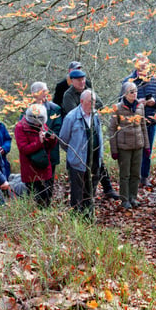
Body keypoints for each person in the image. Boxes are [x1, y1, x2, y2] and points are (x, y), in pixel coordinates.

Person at [60, 67, 120, 200]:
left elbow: (100, 104)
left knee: (96, 173)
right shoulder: (68, 96)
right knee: (78, 185)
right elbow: (64, 139)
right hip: (78, 143)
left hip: (93, 148)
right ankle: (77, 212)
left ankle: (105, 192)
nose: (82, 82)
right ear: (72, 81)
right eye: (79, 80)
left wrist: (90, 105)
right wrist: (74, 150)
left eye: (83, 79)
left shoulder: (89, 92)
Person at [121, 54, 156, 187]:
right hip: (134, 121)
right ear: (136, 65)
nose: (143, 67)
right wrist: (136, 103)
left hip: (151, 121)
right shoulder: (128, 81)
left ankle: (144, 177)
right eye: (140, 64)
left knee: (147, 150)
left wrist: (155, 101)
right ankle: (133, 177)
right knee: (133, 151)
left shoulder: (154, 80)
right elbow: (120, 102)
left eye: (145, 64)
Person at [59, 90, 104, 218]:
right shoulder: (71, 117)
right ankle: (76, 219)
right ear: (82, 101)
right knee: (77, 193)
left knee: (90, 191)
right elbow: (63, 140)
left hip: (94, 160)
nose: (93, 104)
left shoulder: (96, 116)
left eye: (94, 101)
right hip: (77, 162)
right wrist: (75, 153)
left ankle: (88, 217)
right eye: (90, 101)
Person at [110, 82, 150, 209]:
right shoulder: (117, 108)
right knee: (125, 175)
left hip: (138, 145)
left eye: (135, 91)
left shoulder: (140, 107)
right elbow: (112, 130)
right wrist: (114, 149)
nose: (134, 94)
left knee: (136, 174)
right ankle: (124, 200)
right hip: (124, 147)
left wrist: (147, 146)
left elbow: (143, 127)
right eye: (131, 92)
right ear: (124, 94)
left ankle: (133, 197)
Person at [14, 103, 57, 207]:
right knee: (36, 198)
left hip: (44, 165)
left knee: (46, 196)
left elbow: (49, 147)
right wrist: (39, 142)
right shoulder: (20, 127)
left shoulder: (43, 125)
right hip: (31, 169)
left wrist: (52, 140)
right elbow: (23, 149)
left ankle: (46, 216)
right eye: (36, 120)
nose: (39, 123)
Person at [30, 81, 63, 198]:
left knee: (49, 181)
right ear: (34, 93)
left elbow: (58, 129)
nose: (46, 94)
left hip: (50, 150)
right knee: (35, 182)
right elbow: (23, 128)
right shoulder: (27, 109)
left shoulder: (55, 109)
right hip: (33, 151)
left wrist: (46, 136)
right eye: (42, 91)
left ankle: (47, 205)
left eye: (46, 91)